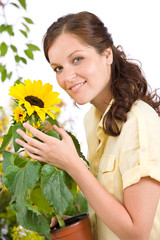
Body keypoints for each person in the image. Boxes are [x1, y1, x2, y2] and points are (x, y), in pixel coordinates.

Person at [15, 11, 160, 240]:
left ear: (107, 54)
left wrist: (72, 164)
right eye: (58, 68)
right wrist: (69, 217)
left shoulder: (139, 122)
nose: (67, 77)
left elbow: (137, 233)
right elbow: (109, 203)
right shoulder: (92, 119)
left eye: (77, 59)